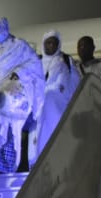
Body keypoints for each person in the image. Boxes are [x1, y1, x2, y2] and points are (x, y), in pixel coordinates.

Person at [0, 17, 42, 175]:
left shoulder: (19, 45)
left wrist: (17, 73)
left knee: (10, 133)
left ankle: (9, 167)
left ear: (3, 28)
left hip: (13, 95)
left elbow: (34, 63)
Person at [34, 30, 82, 163]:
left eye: (54, 43)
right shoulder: (37, 61)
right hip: (39, 107)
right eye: (48, 43)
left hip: (59, 105)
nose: (51, 46)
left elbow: (75, 81)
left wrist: (59, 91)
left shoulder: (66, 60)